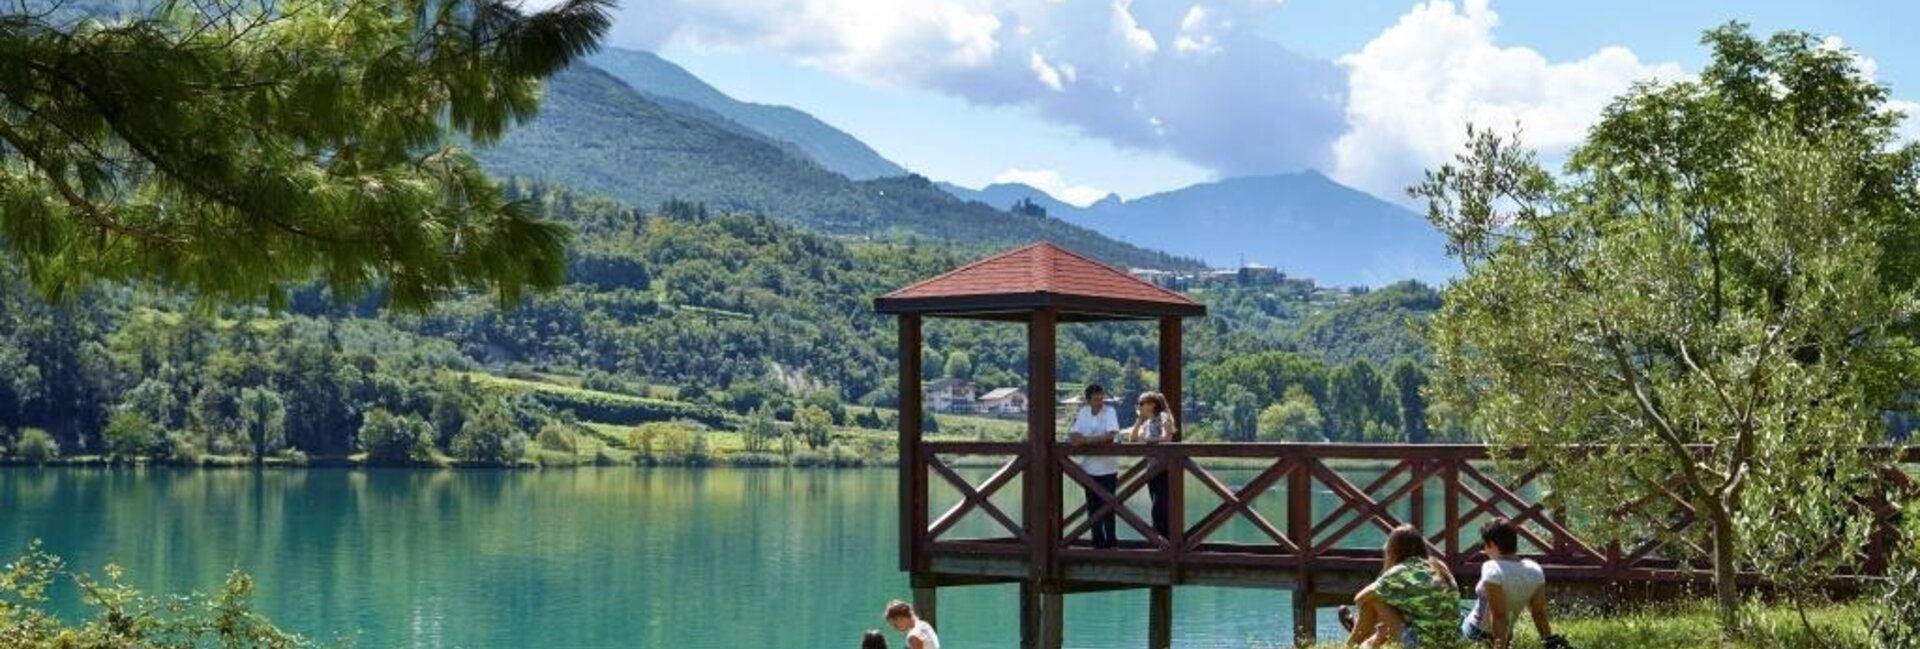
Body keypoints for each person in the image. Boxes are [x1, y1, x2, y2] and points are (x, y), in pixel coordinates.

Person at [1342, 525, 1458, 649]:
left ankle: (1352, 643)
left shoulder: (1401, 570)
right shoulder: (1439, 565)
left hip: (1421, 645)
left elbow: (1359, 599)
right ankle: (1369, 640)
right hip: (1452, 641)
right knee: (1396, 601)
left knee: (1373, 600)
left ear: (1394, 550)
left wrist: (1373, 616)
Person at [1462, 518, 1569, 649]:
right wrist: (1548, 640)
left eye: (1484, 545)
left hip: (1477, 634)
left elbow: (1499, 616)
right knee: (1463, 612)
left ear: (1493, 545)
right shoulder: (1534, 569)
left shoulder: (1491, 568)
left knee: (1452, 615)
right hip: (1507, 635)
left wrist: (1499, 647)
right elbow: (1539, 613)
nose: (1483, 550)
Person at [1068, 383, 1122, 548]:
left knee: (1108, 506)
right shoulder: (1084, 412)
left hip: (1108, 468)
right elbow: (1074, 434)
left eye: (1101, 398)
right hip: (1088, 467)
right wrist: (1089, 440)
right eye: (1096, 399)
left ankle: (1111, 541)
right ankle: (1097, 542)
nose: (1100, 402)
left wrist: (1087, 441)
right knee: (1092, 507)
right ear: (1088, 400)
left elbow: (1111, 435)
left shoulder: (1110, 411)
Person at [1127, 390, 1177, 539]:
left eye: (1142, 403)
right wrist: (1139, 420)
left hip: (1164, 469)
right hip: (1152, 470)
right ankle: (1159, 542)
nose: (1139, 406)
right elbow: (1133, 439)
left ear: (1152, 404)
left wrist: (1149, 442)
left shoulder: (1163, 417)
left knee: (1160, 508)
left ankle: (1165, 542)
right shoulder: (1147, 422)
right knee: (1156, 506)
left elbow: (1166, 438)